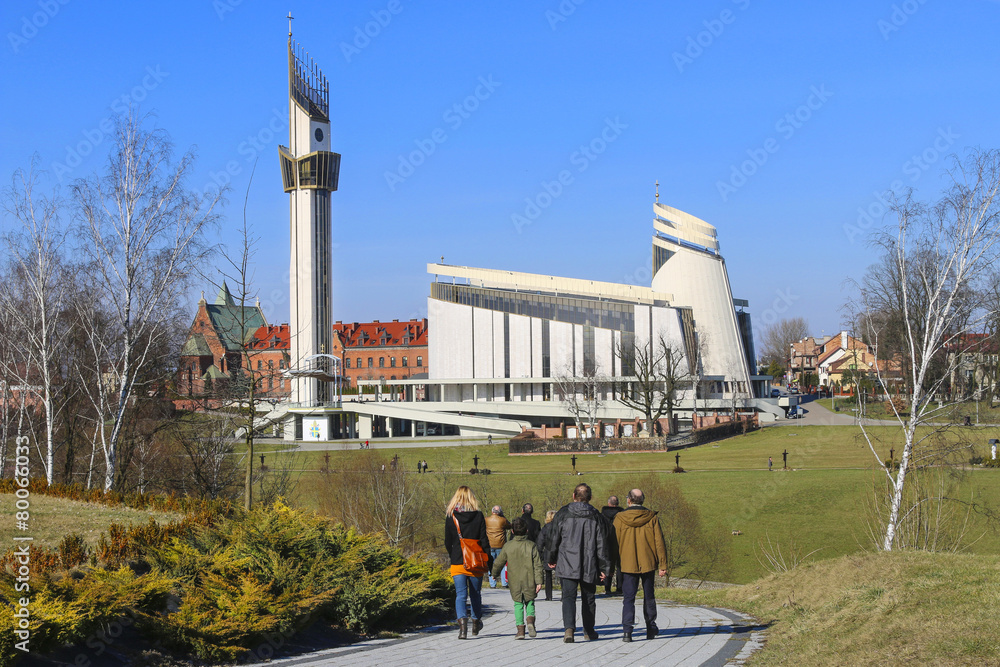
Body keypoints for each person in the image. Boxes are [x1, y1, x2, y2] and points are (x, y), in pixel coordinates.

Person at [547, 483, 609, 643]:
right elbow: (602, 543)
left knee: (568, 597)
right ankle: (589, 630)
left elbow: (554, 538)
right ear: (590, 498)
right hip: (590, 562)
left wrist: (551, 558)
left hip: (567, 561)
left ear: (574, 496)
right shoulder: (596, 516)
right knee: (588, 597)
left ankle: (569, 629)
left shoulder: (563, 513)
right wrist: (604, 567)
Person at [613, 488, 668, 642]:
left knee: (628, 598)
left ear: (628, 500)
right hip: (648, 562)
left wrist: (610, 567)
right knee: (649, 596)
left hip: (627, 563)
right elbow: (659, 542)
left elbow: (613, 544)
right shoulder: (651, 517)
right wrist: (662, 564)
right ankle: (650, 627)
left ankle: (627, 631)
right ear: (642, 500)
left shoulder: (619, 518)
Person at [444, 486, 491, 639]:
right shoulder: (478, 516)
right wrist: (488, 561)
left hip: (458, 561)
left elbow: (447, 541)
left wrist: (454, 555)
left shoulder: (451, 516)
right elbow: (484, 540)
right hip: (475, 561)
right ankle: (476, 622)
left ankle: (462, 628)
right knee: (476, 594)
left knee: (460, 595)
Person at [491, 517, 544, 639]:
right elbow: (538, 565)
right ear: (526, 531)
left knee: (518, 604)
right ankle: (530, 621)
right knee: (530, 601)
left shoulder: (508, 546)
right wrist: (539, 581)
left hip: (514, 579)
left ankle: (520, 630)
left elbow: (499, 562)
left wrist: (494, 573)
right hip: (529, 579)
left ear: (512, 532)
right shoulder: (532, 545)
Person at [601, 495, 624, 595]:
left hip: (606, 542)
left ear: (609, 503)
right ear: (617, 504)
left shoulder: (602, 515)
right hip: (620, 542)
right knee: (620, 566)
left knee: (608, 564)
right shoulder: (623, 515)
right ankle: (619, 588)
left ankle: (607, 588)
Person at [485, 505, 511, 588]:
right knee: (502, 564)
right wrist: (502, 516)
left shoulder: (486, 520)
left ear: (492, 512)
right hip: (501, 545)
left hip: (490, 544)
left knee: (490, 564)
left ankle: (492, 583)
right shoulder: (502, 520)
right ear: (499, 512)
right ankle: (504, 583)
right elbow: (509, 526)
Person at [535, 510, 557, 601]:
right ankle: (564, 595)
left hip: (547, 553)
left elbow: (540, 543)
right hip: (559, 553)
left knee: (548, 575)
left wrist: (539, 555)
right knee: (562, 575)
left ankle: (549, 596)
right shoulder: (560, 527)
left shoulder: (545, 528)